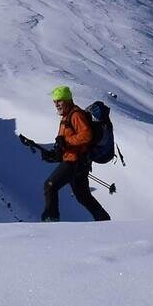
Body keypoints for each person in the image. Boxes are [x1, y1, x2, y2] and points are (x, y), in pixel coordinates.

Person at [24, 85, 110, 223]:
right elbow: (65, 146)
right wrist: (52, 155)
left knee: (50, 185)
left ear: (68, 100)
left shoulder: (75, 115)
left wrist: (66, 141)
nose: (56, 104)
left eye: (60, 100)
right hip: (78, 162)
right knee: (83, 196)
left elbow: (86, 135)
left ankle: (51, 220)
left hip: (75, 162)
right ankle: (104, 220)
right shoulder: (65, 118)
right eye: (55, 101)